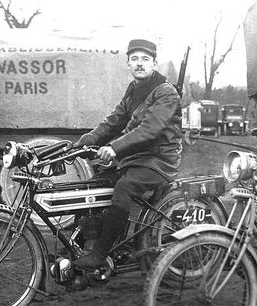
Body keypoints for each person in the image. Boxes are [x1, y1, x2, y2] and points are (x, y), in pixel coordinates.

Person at [73, 38, 182, 269]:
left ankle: (100, 254)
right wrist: (85, 142)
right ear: (128, 64)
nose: (139, 64)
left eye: (145, 59)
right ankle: (84, 243)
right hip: (135, 158)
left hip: (159, 161)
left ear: (155, 63)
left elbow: (150, 130)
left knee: (124, 188)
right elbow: (114, 121)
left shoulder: (166, 92)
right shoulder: (134, 90)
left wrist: (114, 148)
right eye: (134, 59)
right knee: (90, 187)